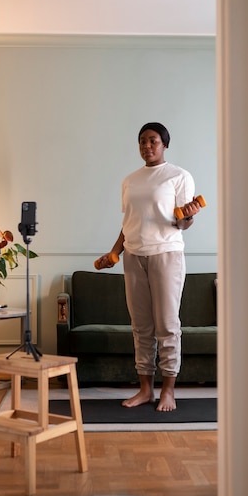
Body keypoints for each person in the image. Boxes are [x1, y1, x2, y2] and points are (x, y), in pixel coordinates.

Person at [95, 123, 201, 412]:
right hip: (132, 256)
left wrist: (188, 217)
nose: (147, 146)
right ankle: (145, 390)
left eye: (153, 141)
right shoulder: (130, 180)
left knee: (167, 325)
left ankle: (168, 390)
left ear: (164, 144)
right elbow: (129, 223)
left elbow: (181, 222)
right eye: (142, 141)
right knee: (141, 327)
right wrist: (113, 252)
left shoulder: (178, 176)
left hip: (166, 254)